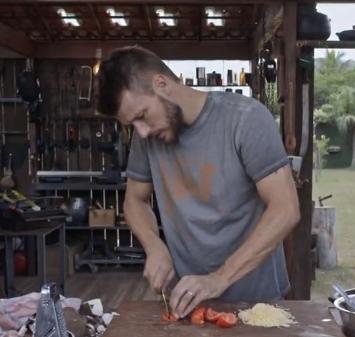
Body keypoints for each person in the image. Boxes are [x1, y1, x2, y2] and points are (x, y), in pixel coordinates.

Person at [97, 46, 300, 319]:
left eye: (142, 116)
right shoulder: (146, 139)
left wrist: (219, 278)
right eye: (132, 124)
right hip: (188, 303)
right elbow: (135, 200)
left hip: (258, 303)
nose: (141, 132)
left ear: (162, 84)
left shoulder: (246, 119)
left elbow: (285, 208)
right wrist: (154, 246)